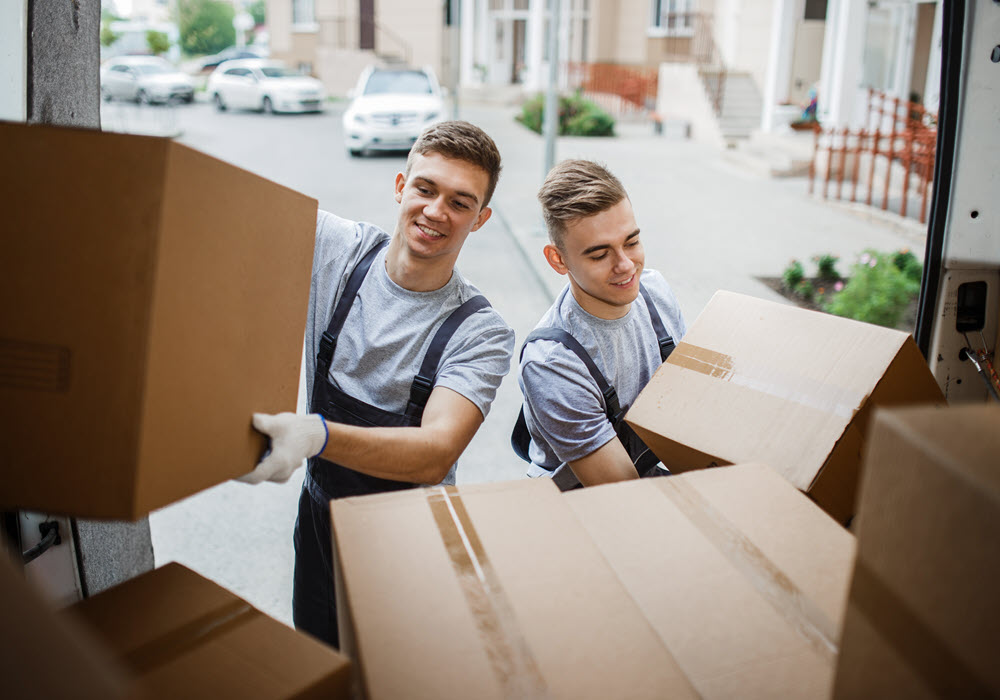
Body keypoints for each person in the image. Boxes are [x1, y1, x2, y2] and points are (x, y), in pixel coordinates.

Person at [240, 121, 515, 649]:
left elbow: (435, 452)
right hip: (320, 520)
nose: (437, 212)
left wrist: (316, 436)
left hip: (409, 541)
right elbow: (234, 211)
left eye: (460, 203)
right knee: (319, 657)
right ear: (400, 186)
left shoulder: (481, 332)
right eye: (426, 189)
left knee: (393, 675)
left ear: (480, 220)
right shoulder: (338, 252)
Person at [513, 159, 686, 490]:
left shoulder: (656, 292)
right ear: (558, 259)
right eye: (599, 255)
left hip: (648, 482)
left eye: (631, 242)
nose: (625, 266)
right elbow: (621, 491)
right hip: (588, 504)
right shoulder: (552, 362)